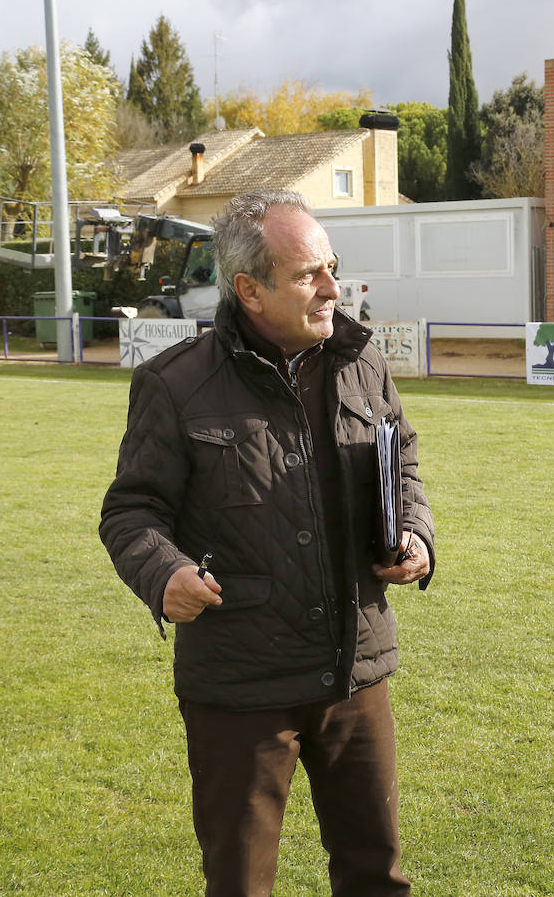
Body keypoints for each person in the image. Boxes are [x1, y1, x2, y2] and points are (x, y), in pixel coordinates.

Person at [100, 189, 433, 897]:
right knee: (240, 883)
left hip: (355, 670)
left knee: (377, 876)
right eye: (309, 274)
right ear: (249, 289)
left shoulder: (363, 361)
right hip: (240, 684)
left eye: (333, 267)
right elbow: (132, 510)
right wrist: (165, 574)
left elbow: (400, 460)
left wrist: (415, 533)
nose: (333, 289)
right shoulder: (175, 384)